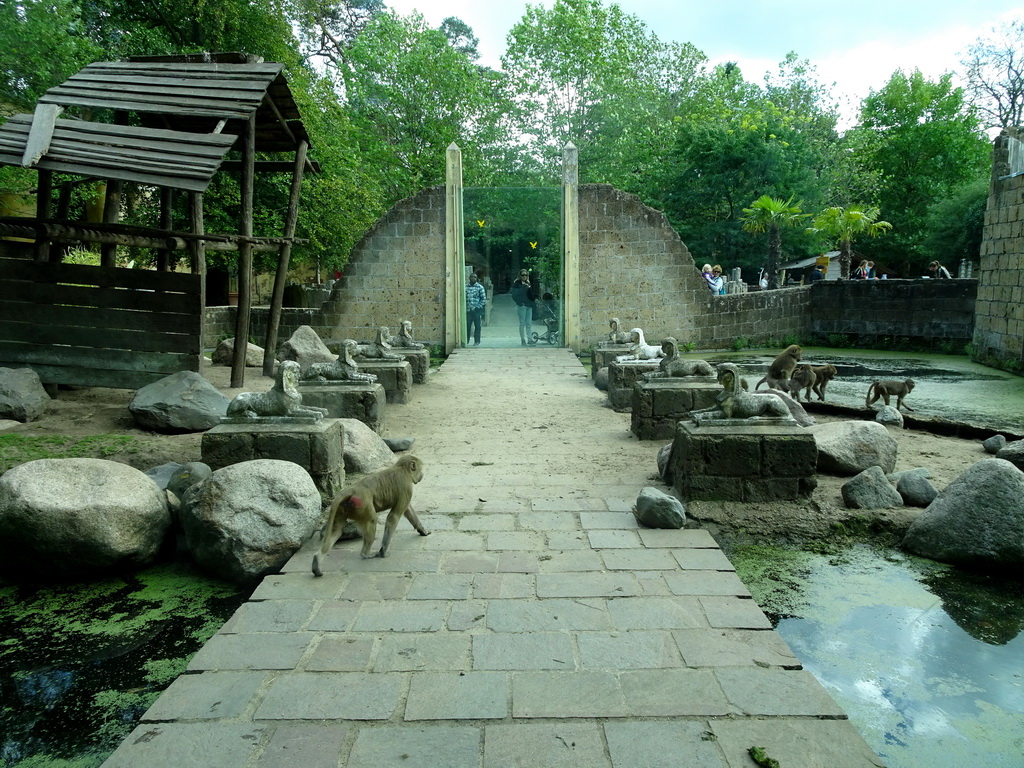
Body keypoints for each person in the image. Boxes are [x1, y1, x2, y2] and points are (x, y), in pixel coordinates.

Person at [510, 268, 536, 345]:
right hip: (522, 306)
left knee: (529, 323)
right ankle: (522, 339)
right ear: (519, 276)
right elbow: (514, 295)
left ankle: (529, 339)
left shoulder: (528, 283)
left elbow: (531, 294)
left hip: (529, 305)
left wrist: (529, 286)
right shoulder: (517, 283)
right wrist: (520, 302)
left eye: (526, 275)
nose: (524, 276)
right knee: (522, 323)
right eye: (523, 275)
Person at [465, 271, 486, 346]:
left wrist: (477, 307)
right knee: (467, 326)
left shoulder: (480, 287)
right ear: (469, 278)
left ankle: (477, 341)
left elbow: (483, 299)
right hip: (468, 310)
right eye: (472, 277)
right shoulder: (465, 287)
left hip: (476, 310)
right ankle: (466, 341)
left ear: (477, 279)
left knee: (477, 326)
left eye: (475, 277)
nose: (473, 278)